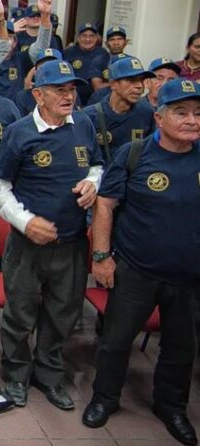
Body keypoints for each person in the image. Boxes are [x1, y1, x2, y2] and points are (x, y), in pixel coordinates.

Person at [82, 79, 200, 444]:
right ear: (159, 118)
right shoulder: (134, 154)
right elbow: (105, 204)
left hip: (189, 276)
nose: (192, 120)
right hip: (136, 268)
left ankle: (171, 407)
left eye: (197, 113)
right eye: (181, 113)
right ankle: (105, 398)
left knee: (181, 348)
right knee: (116, 340)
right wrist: (101, 256)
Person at [0, 60, 103, 409]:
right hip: (27, 245)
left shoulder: (84, 124)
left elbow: (98, 164)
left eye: (71, 89)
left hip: (72, 243)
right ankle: (16, 376)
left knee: (63, 314)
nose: (68, 96)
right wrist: (25, 222)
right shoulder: (20, 132)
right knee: (20, 314)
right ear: (38, 94)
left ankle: (49, 376)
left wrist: (93, 182)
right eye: (59, 89)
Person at [82, 56, 155, 164]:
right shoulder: (89, 117)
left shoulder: (147, 112)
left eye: (141, 80)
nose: (139, 86)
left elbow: (151, 152)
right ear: (113, 84)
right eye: (131, 80)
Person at [63, 23, 106, 106]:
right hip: (72, 99)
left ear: (96, 38)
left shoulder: (103, 54)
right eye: (84, 36)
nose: (87, 39)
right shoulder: (68, 52)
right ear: (78, 38)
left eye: (91, 36)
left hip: (95, 101)